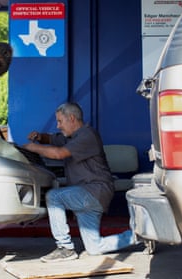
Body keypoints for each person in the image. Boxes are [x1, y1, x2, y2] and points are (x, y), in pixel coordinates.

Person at [23, 102, 136, 263]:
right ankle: (140, 235)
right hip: (88, 195)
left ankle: (65, 248)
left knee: (54, 197)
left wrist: (33, 147)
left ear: (72, 118)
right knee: (94, 247)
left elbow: (60, 153)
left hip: (95, 190)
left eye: (60, 121)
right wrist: (40, 137)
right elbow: (54, 139)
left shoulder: (87, 135)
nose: (58, 125)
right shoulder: (70, 137)